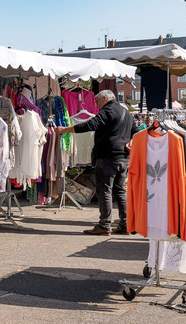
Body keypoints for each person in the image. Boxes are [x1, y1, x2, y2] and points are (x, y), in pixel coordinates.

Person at [54, 89, 135, 236]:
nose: (96, 106)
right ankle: (126, 223)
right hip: (123, 158)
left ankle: (104, 225)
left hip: (107, 157)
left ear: (104, 98)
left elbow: (90, 124)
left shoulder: (108, 111)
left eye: (97, 102)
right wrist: (131, 141)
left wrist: (65, 129)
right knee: (119, 190)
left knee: (104, 190)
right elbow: (136, 131)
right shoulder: (126, 113)